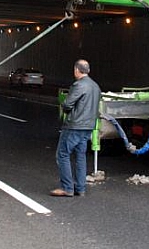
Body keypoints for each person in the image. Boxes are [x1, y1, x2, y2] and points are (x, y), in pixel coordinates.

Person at [50, 59, 101, 197]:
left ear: (77, 70)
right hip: (88, 126)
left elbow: (67, 104)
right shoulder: (96, 86)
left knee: (62, 154)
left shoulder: (78, 85)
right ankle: (80, 188)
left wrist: (66, 110)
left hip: (74, 126)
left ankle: (67, 188)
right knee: (80, 156)